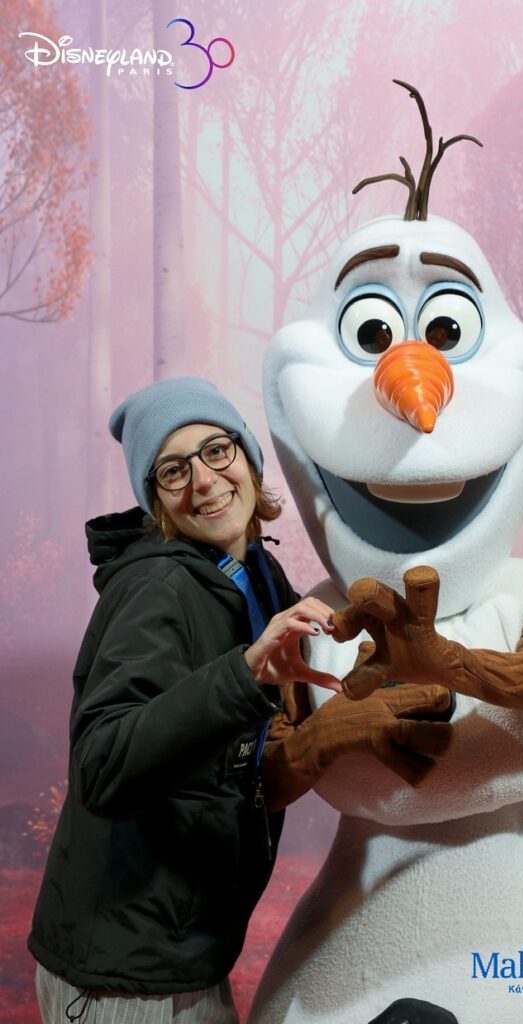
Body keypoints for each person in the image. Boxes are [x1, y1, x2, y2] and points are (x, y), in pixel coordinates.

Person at [28, 376, 341, 1024]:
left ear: (247, 456)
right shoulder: (158, 587)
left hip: (187, 951)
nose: (204, 481)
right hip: (124, 980)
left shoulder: (254, 571)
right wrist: (243, 674)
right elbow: (102, 766)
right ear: (157, 499)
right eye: (173, 470)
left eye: (216, 451)